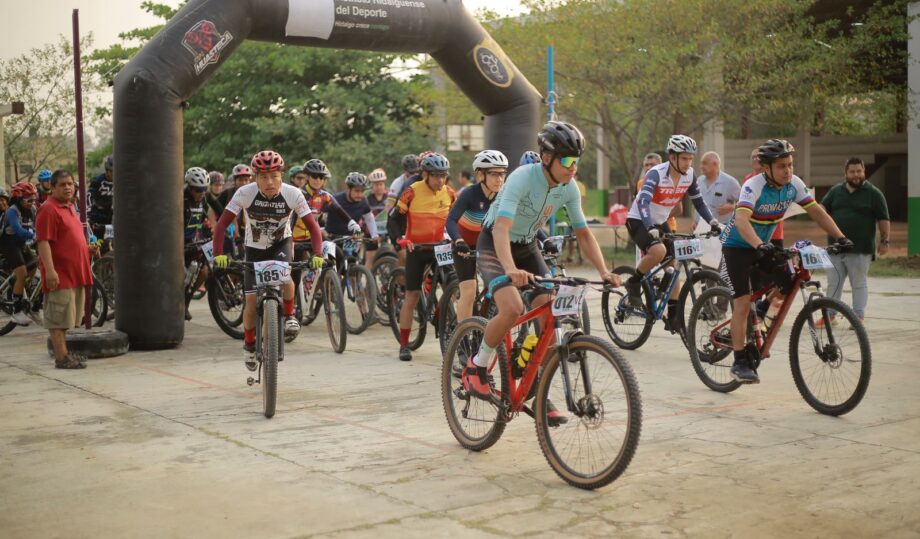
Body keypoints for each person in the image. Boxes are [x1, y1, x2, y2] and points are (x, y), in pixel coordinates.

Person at [463, 121, 621, 426]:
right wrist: (510, 269)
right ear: (547, 158)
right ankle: (476, 367)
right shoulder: (522, 178)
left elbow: (584, 234)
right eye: (567, 160)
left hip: (527, 245)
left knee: (550, 313)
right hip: (495, 244)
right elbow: (501, 228)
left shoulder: (569, 187)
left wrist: (604, 271)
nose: (573, 168)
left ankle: (538, 391)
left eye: (577, 161)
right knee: (512, 307)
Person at [720, 139, 851, 384]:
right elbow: (741, 221)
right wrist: (759, 245)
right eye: (782, 166)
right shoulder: (753, 185)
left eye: (790, 165)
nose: (788, 170)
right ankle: (739, 362)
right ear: (767, 168)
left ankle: (760, 309)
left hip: (762, 244)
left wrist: (840, 236)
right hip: (738, 246)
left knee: (789, 282)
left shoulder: (794, 184)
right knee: (741, 302)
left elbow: (817, 212)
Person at [211, 151, 325, 370]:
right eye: (263, 177)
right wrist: (219, 255)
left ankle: (290, 315)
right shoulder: (244, 193)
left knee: (286, 279)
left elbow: (313, 227)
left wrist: (318, 254)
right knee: (251, 303)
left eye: (274, 176)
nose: (269, 182)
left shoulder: (294, 194)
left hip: (281, 243)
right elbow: (222, 224)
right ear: (255, 178)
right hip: (253, 248)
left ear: (282, 175)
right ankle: (249, 345)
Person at [625, 135, 721, 326]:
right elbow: (643, 202)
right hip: (639, 219)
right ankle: (634, 281)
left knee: (674, 263)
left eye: (690, 158)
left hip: (660, 221)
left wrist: (713, 221)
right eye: (684, 158)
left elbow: (699, 203)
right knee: (659, 251)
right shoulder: (656, 174)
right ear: (672, 157)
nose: (688, 163)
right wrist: (650, 227)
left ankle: (673, 315)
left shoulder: (689, 175)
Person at [390, 153, 456, 362]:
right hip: (417, 249)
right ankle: (403, 345)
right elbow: (394, 219)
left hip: (441, 248)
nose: (440, 181)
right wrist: (399, 239)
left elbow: (457, 220)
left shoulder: (450, 193)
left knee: (453, 288)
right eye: (436, 176)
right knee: (412, 296)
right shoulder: (412, 192)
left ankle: (444, 312)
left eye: (444, 176)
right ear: (425, 175)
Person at [35, 170, 98, 369]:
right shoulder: (48, 209)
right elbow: (43, 242)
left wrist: (87, 250)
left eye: (70, 184)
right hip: (59, 274)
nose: (68, 187)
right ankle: (62, 358)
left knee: (67, 317)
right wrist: (50, 270)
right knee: (58, 317)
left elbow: (68, 240)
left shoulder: (70, 207)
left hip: (75, 273)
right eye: (62, 185)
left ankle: (66, 354)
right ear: (52, 188)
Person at [819, 156, 890, 327]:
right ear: (846, 173)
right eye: (852, 171)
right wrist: (822, 215)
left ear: (864, 171)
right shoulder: (836, 191)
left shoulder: (874, 193)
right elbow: (821, 208)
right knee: (833, 283)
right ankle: (830, 316)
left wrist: (885, 241)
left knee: (858, 283)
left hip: (861, 248)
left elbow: (883, 219)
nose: (856, 175)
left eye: (859, 171)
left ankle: (858, 317)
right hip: (836, 248)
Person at [446, 150, 507, 323]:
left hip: (486, 246)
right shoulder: (469, 194)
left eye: (502, 174)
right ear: (481, 174)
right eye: (494, 174)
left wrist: (542, 237)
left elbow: (520, 219)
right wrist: (458, 241)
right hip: (464, 247)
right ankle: (462, 337)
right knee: (469, 290)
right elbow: (450, 221)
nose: (499, 179)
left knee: (502, 286)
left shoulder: (504, 196)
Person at [0, 181, 39, 325]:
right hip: (7, 243)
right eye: (28, 199)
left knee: (33, 267)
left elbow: (37, 225)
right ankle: (17, 312)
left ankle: (16, 285)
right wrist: (34, 236)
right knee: (22, 272)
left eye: (33, 199)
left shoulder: (32, 209)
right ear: (18, 198)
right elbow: (17, 230)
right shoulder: (12, 211)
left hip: (21, 243)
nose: (31, 202)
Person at [324, 172, 378, 265]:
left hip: (352, 237)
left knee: (352, 263)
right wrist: (321, 229)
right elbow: (321, 214)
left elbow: (369, 218)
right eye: (357, 191)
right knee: (329, 265)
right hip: (332, 236)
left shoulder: (363, 201)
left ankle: (353, 276)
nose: (360, 194)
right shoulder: (335, 199)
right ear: (349, 189)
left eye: (362, 191)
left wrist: (374, 234)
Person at [182, 167, 212, 320]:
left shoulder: (203, 199)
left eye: (204, 190)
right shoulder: (181, 200)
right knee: (182, 274)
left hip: (194, 241)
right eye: (198, 190)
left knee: (204, 271)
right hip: (180, 243)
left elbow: (204, 219)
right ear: (190, 187)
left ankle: (185, 304)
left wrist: (211, 229)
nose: (201, 194)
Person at [743, 147, 783, 249]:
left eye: (758, 157)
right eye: (753, 157)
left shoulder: (775, 177)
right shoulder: (747, 179)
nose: (755, 159)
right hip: (754, 233)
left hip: (774, 232)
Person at [635, 152, 680, 235]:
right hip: (649, 227)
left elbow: (678, 209)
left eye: (652, 164)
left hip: (667, 227)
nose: (649, 167)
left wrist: (659, 219)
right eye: (646, 165)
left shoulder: (669, 182)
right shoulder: (641, 183)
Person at [696, 151, 741, 225]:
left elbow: (744, 202)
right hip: (700, 227)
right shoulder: (699, 180)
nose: (701, 166)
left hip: (722, 227)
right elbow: (697, 204)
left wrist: (732, 207)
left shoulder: (730, 182)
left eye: (704, 163)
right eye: (701, 163)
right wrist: (695, 221)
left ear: (715, 164)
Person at [88, 154, 114, 241]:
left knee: (109, 242)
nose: (114, 174)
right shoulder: (97, 181)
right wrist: (87, 215)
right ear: (107, 170)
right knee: (97, 243)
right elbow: (89, 198)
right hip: (97, 215)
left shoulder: (119, 182)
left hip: (110, 217)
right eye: (112, 171)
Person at [367, 168, 389, 233]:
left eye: (381, 184)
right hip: (371, 231)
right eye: (376, 185)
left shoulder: (390, 196)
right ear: (372, 185)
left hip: (387, 231)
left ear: (384, 184)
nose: (379, 187)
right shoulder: (366, 196)